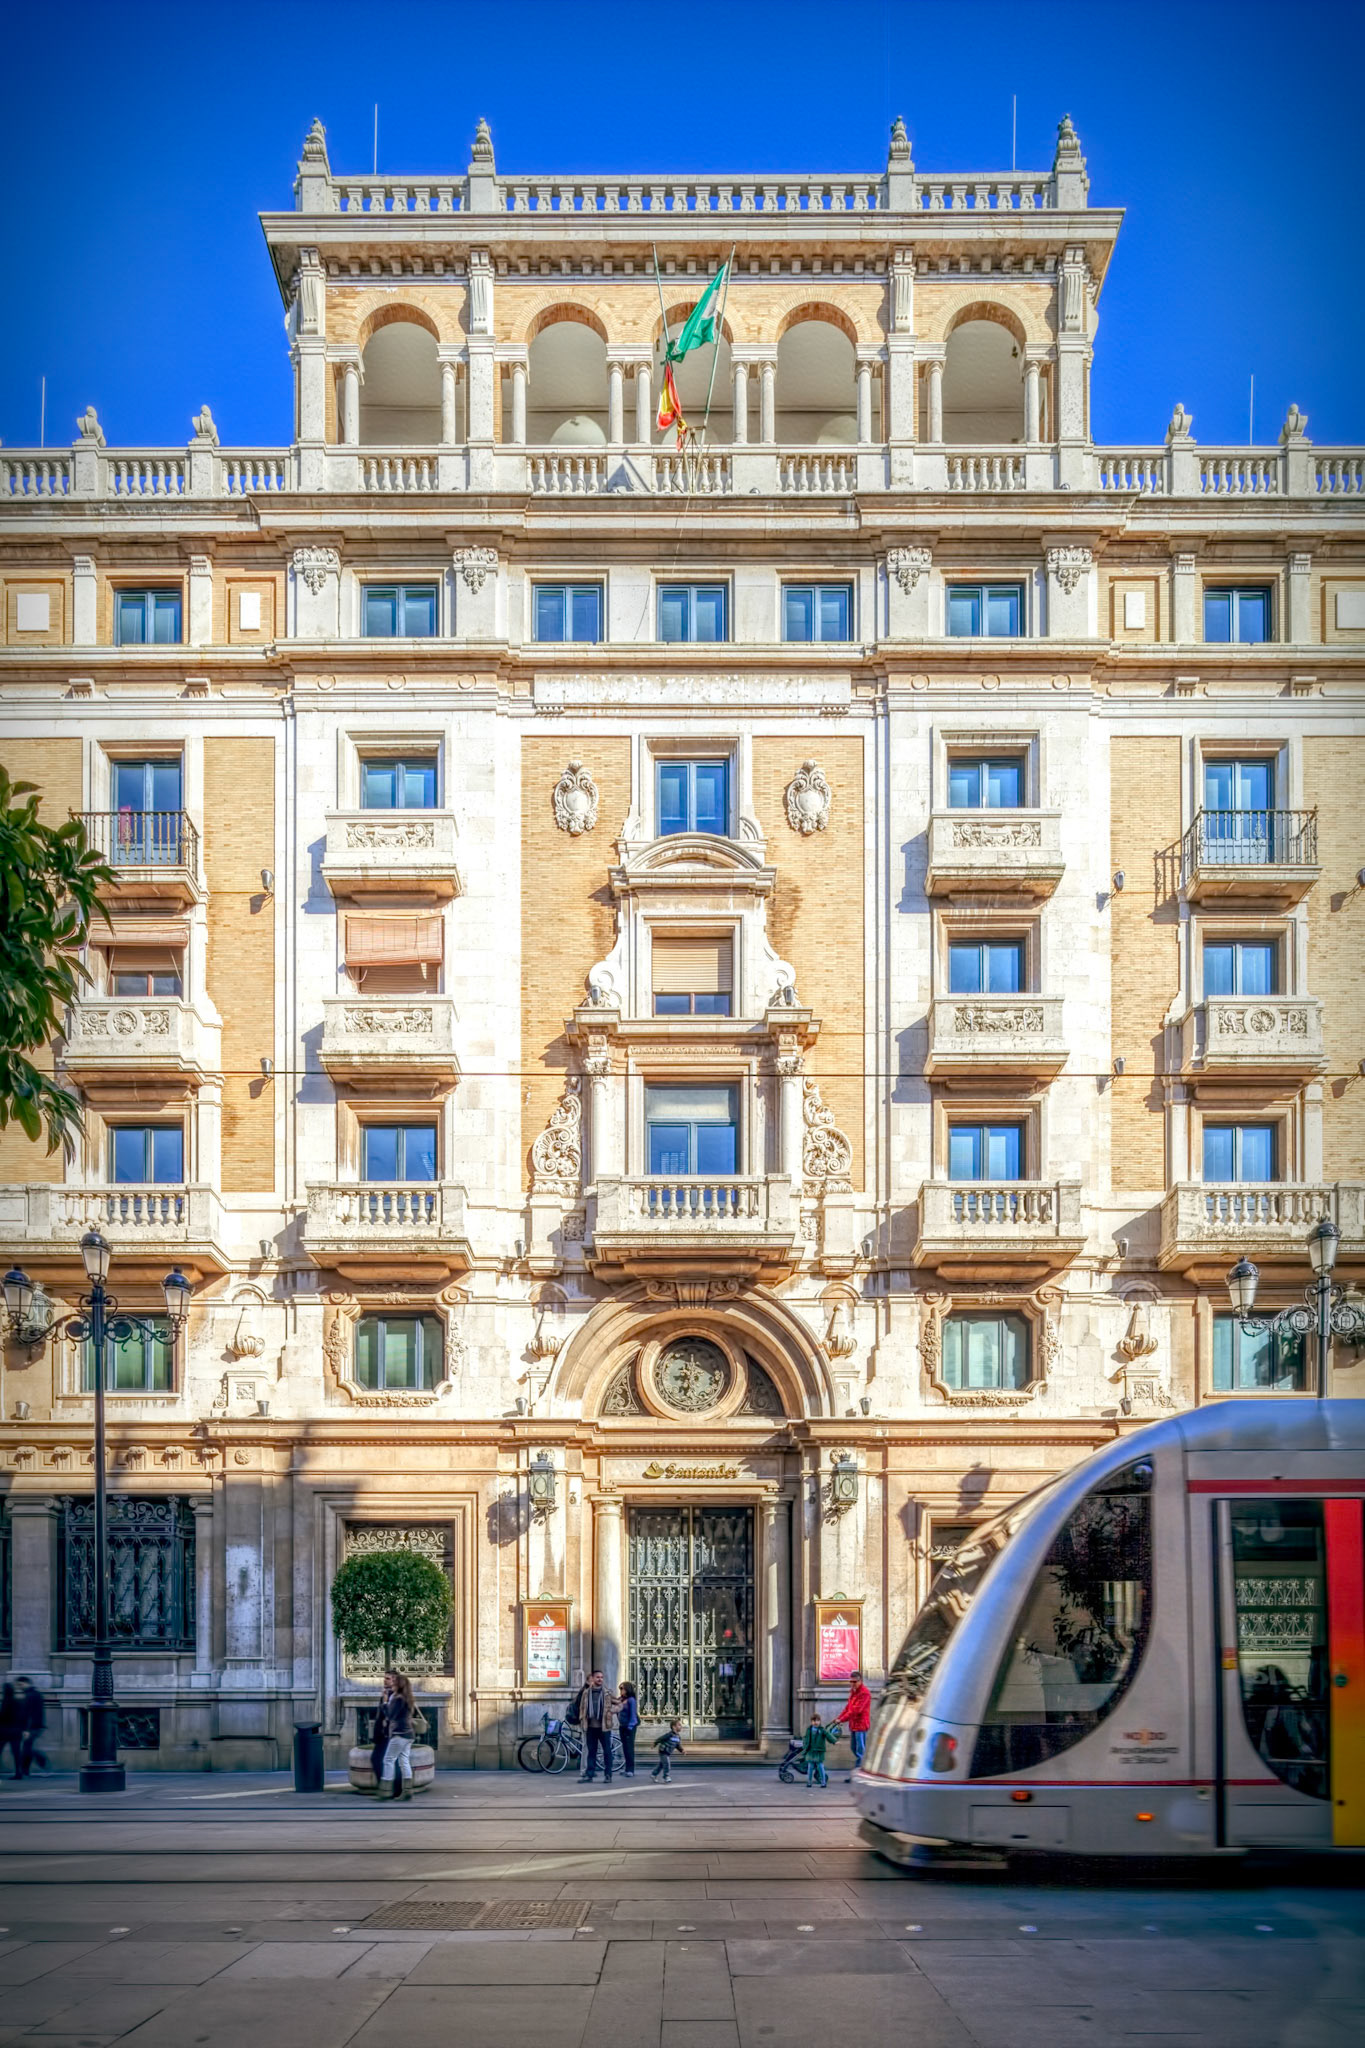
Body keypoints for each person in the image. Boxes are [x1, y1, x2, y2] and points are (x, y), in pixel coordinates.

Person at [377, 1671, 417, 1801]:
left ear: (399, 1685)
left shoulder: (398, 1698)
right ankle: (407, 1791)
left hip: (400, 1734)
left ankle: (386, 1791)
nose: (392, 1684)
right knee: (404, 1761)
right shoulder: (406, 1697)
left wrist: (385, 1702)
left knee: (388, 1760)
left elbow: (390, 1715)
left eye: (394, 1682)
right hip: (408, 1734)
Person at [573, 1669, 616, 1784]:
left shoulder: (607, 1693)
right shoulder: (586, 1693)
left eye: (601, 1677)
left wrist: (611, 1711)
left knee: (607, 1751)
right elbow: (582, 1708)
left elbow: (618, 1703)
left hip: (604, 1727)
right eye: (598, 1677)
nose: (600, 1679)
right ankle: (589, 1775)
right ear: (593, 1678)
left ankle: (608, 1775)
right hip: (591, 1727)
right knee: (591, 1752)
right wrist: (582, 1720)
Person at [832, 1670, 872, 1781]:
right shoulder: (853, 1692)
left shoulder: (864, 1693)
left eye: (854, 1682)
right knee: (854, 1748)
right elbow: (848, 1708)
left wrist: (841, 1719)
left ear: (860, 1681)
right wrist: (839, 1718)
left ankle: (858, 1776)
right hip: (854, 1725)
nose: (852, 1684)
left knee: (860, 1751)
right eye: (851, 1681)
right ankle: (863, 1769)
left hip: (861, 1725)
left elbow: (856, 1710)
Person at [368, 1671, 395, 1794]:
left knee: (377, 1759)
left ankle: (386, 1788)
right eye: (384, 1678)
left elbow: (390, 1714)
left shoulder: (394, 1696)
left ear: (394, 1681)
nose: (384, 1680)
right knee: (380, 1759)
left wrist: (385, 1702)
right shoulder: (386, 1693)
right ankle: (387, 1787)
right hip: (382, 1734)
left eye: (387, 1678)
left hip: (388, 1734)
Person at [16, 1680, 49, 1778]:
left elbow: (28, 1713)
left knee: (27, 1749)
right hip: (36, 1726)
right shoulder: (36, 1694)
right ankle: (26, 1770)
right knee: (28, 1748)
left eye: (21, 1684)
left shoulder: (30, 1696)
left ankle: (39, 1764)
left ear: (27, 1683)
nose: (20, 1687)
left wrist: (26, 1729)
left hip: (32, 1727)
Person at [799, 1710, 830, 1788]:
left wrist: (835, 1741)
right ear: (811, 1722)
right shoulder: (809, 1729)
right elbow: (806, 1738)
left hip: (819, 1751)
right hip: (810, 1751)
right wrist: (805, 1745)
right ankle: (809, 1782)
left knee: (820, 1766)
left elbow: (829, 1735)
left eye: (817, 1721)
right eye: (814, 1721)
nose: (816, 1722)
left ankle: (823, 1782)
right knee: (810, 1767)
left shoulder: (822, 1730)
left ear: (820, 1721)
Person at [615, 1679, 640, 1778]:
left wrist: (630, 1727)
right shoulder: (621, 1699)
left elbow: (633, 1715)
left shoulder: (631, 1700)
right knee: (625, 1748)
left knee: (629, 1748)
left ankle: (630, 1769)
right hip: (622, 1726)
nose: (621, 1691)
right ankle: (626, 1768)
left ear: (627, 1689)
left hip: (629, 1727)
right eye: (620, 1689)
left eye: (622, 1689)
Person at [0, 1683, 22, 1781]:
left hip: (5, 1731)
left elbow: (3, 1716)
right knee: (16, 1752)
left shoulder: (6, 1701)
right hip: (16, 1731)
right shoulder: (17, 1702)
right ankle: (18, 1772)